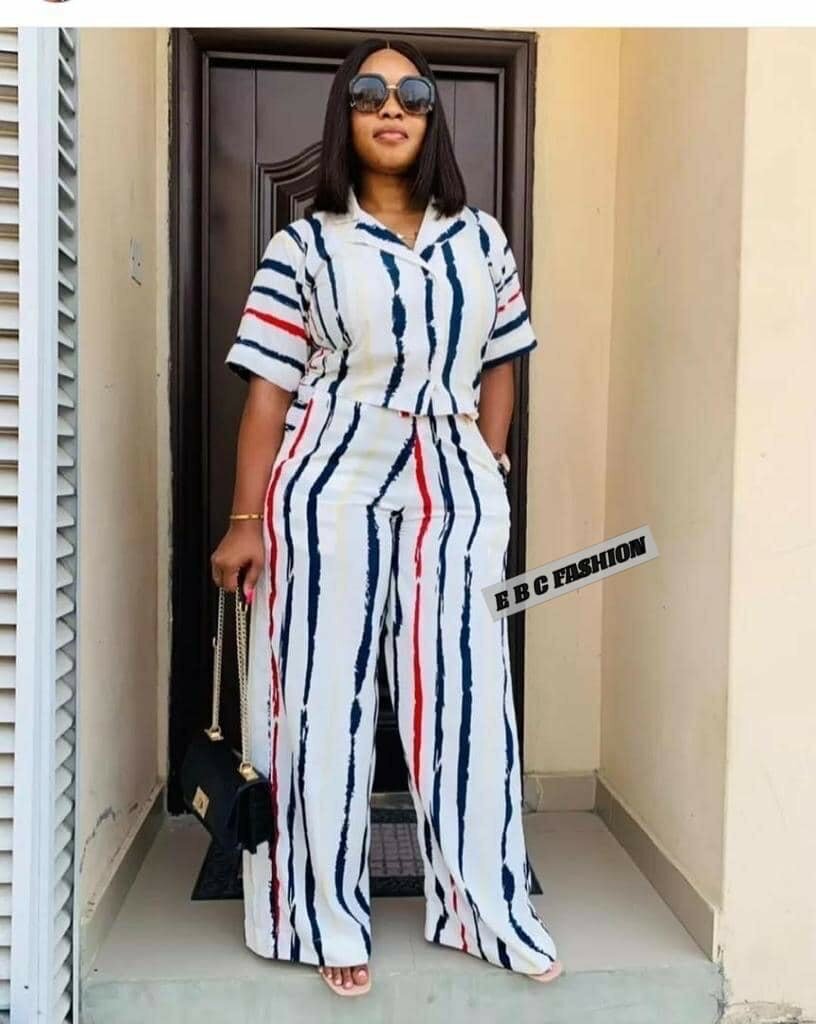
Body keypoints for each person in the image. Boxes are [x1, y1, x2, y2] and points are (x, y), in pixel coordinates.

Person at [210, 36, 563, 999]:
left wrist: (489, 462)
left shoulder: (481, 239)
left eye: (412, 93)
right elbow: (268, 392)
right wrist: (244, 518)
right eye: (369, 93)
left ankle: (487, 911)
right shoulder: (303, 246)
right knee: (322, 697)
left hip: (454, 483)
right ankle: (320, 915)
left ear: (433, 115)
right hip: (329, 480)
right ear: (347, 115)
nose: (392, 107)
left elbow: (504, 358)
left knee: (466, 697)